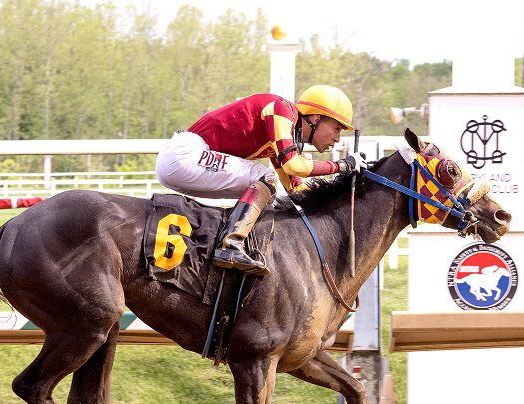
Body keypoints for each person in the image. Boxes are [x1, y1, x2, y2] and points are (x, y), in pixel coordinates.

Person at [156, 84, 366, 276]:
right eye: (337, 128)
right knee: (265, 177)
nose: (337, 138)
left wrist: (334, 189)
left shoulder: (282, 135)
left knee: (265, 190)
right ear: (316, 117)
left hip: (183, 161)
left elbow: (296, 189)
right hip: (185, 155)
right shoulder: (281, 110)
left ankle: (234, 243)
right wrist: (341, 165)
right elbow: (294, 165)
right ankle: (231, 246)